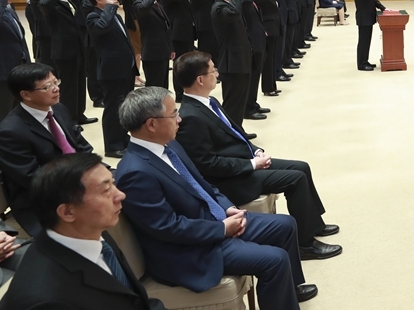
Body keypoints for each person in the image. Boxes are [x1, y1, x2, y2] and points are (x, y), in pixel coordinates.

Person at [114, 86, 317, 307]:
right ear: (151, 124)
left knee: (286, 225)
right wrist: (221, 229)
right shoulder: (135, 172)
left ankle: (288, 291)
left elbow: (202, 183)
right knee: (275, 260)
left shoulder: (170, 145)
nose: (180, 120)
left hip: (213, 220)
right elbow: (167, 227)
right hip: (191, 250)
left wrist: (227, 207)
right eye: (173, 115)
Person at [174, 51, 342, 260]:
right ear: (200, 80)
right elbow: (208, 165)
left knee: (301, 166)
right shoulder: (191, 117)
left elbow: (236, 133)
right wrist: (253, 164)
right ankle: (305, 245)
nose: (217, 74)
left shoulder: (210, 102)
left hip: (243, 161)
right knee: (295, 179)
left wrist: (254, 150)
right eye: (213, 70)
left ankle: (313, 225)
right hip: (230, 180)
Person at [0, 152, 165, 310]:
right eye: (106, 190)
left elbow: (134, 299)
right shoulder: (46, 300)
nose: (121, 195)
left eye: (113, 183)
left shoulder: (91, 231)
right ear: (68, 212)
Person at [0, 63, 96, 236]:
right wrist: (80, 184)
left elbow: (80, 145)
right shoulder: (10, 132)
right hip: (43, 199)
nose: (56, 89)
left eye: (56, 82)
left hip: (77, 180)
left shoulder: (58, 108)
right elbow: (33, 178)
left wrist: (97, 170)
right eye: (47, 87)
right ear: (26, 95)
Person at [86, 0, 137, 158]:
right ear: (98, 0)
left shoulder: (115, 15)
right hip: (112, 71)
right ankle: (112, 146)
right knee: (113, 109)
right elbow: (101, 28)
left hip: (126, 68)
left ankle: (123, 138)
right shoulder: (93, 17)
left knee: (125, 107)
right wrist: (109, 8)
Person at [38, 0, 94, 126]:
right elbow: (43, 3)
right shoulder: (51, 5)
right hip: (65, 51)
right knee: (69, 87)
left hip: (78, 48)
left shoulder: (67, 1)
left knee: (80, 83)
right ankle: (70, 119)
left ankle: (79, 114)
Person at [209, 0, 255, 138]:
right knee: (232, 102)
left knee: (240, 100)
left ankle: (238, 131)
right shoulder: (219, 7)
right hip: (232, 62)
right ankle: (229, 136)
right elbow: (234, 13)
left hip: (240, 59)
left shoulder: (229, 4)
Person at [160, 0, 195, 102]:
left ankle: (187, 89)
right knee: (180, 62)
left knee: (187, 61)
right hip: (177, 31)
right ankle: (180, 93)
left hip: (187, 29)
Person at [133, 0, 174, 90]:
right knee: (154, 87)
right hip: (152, 53)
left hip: (163, 50)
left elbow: (166, 27)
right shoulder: (138, 4)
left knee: (163, 86)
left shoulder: (158, 4)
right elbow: (143, 8)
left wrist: (171, 48)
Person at [0, 0, 30, 116]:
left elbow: (20, 38)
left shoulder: (9, 8)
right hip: (3, 71)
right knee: (5, 110)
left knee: (18, 106)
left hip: (18, 65)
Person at [353, 0, 386, 71]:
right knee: (363, 41)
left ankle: (365, 61)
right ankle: (361, 64)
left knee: (366, 41)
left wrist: (383, 8)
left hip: (367, 17)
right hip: (364, 17)